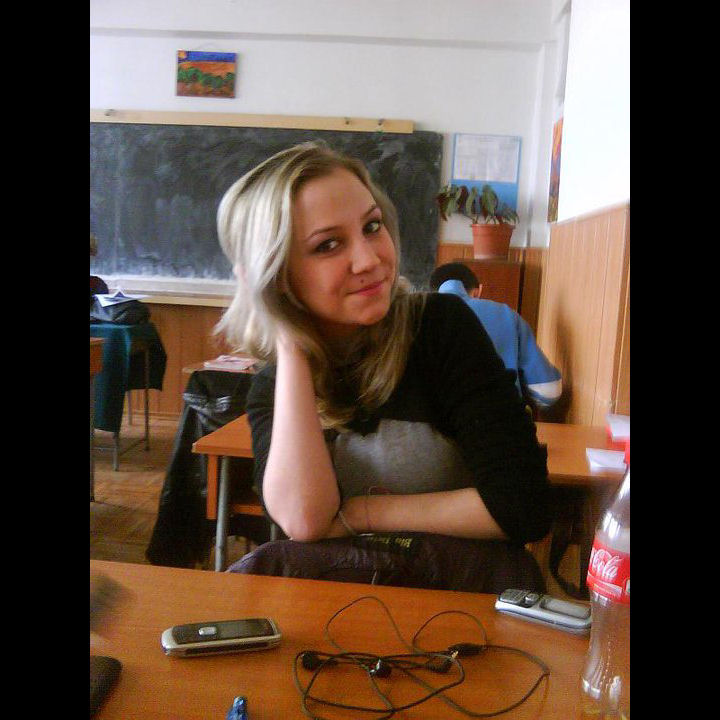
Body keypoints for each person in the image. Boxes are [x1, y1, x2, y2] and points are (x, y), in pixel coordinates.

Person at [214, 141, 550, 592]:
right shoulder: (275, 383)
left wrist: (362, 513)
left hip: (461, 601)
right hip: (338, 604)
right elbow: (306, 521)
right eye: (328, 245)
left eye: (372, 226)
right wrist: (289, 338)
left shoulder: (440, 328)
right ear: (275, 274)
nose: (370, 259)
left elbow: (523, 507)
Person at [429, 262, 562, 409]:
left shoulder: (421, 321)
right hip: (501, 417)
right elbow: (549, 391)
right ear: (478, 291)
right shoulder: (506, 314)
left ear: (431, 295)